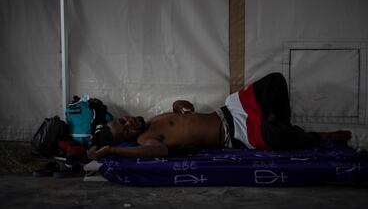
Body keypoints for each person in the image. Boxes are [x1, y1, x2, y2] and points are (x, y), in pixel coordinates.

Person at [87, 72, 351, 159]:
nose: (129, 122)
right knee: (281, 137)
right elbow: (158, 153)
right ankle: (317, 136)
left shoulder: (153, 120)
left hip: (230, 111)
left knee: (275, 81)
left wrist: (180, 104)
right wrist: (112, 151)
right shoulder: (147, 140)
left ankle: (283, 123)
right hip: (235, 133)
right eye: (126, 129)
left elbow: (184, 113)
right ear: (128, 140)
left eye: (123, 120)